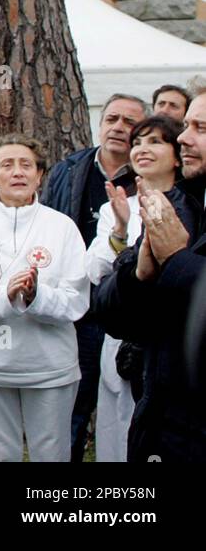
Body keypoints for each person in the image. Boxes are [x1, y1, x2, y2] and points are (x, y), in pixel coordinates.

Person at [93, 92, 206, 461]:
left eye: (200, 128)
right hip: (164, 420)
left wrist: (176, 260)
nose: (185, 137)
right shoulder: (180, 204)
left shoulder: (186, 208)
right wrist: (137, 275)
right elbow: (113, 314)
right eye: (186, 126)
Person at [43, 92, 146, 460]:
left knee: (125, 408)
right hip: (80, 307)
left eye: (129, 122)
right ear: (100, 124)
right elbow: (50, 227)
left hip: (125, 308)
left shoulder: (148, 180)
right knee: (76, 405)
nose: (119, 128)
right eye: (112, 118)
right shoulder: (70, 170)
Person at [0, 135, 88, 462]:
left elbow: (76, 301)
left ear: (39, 175)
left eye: (27, 165)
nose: (17, 172)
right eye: (6, 165)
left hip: (49, 365)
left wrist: (37, 297)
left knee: (51, 454)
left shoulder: (61, 227)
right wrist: (3, 298)